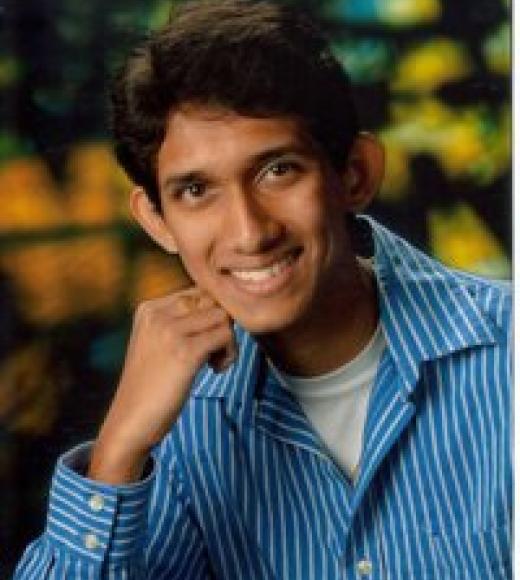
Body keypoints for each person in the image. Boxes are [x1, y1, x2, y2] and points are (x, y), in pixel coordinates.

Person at [14, 1, 511, 578]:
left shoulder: (507, 356)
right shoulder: (176, 422)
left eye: (278, 171)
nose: (250, 233)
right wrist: (118, 452)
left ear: (355, 174)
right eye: (196, 191)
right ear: (156, 221)